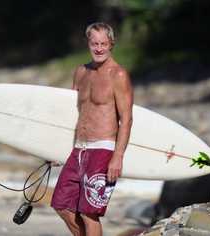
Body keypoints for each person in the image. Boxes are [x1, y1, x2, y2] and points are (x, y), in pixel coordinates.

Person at [51, 22, 133, 236]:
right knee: (62, 205)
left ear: (111, 44)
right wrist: (55, 148)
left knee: (89, 213)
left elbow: (127, 119)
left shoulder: (118, 75)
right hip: (79, 148)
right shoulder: (81, 72)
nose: (98, 48)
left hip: (103, 149)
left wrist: (118, 157)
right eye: (94, 43)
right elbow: (74, 114)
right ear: (88, 43)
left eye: (103, 44)